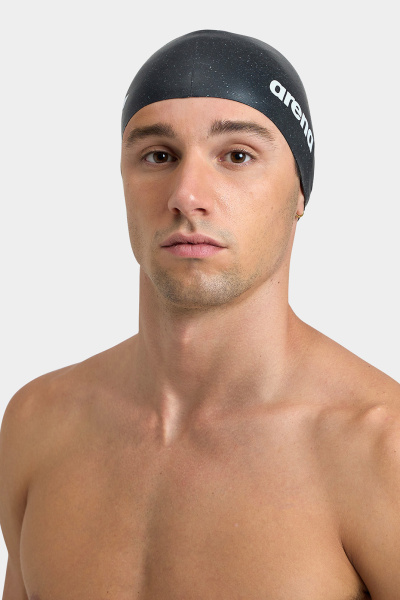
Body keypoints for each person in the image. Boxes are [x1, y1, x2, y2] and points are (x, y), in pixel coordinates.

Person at [0, 29, 399, 600]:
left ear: (299, 192)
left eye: (237, 155)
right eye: (158, 156)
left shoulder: (379, 448)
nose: (186, 194)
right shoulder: (39, 423)